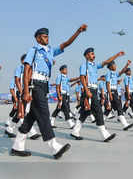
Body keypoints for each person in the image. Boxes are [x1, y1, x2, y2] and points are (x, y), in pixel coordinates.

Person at [11, 25, 87, 159]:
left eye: (47, 36)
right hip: (35, 85)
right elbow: (27, 69)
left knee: (31, 118)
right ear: (38, 38)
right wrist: (25, 90)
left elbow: (66, 44)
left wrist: (78, 32)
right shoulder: (34, 50)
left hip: (44, 85)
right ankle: (54, 146)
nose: (47, 38)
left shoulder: (50, 51)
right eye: (44, 36)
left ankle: (17, 146)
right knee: (44, 114)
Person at [71, 48, 124, 141]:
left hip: (94, 90)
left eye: (93, 54)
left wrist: (117, 55)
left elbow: (106, 61)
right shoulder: (84, 65)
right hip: (89, 90)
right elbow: (82, 78)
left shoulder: (95, 65)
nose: (93, 55)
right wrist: (86, 90)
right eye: (91, 54)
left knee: (85, 112)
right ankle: (105, 134)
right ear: (87, 56)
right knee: (99, 111)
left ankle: (75, 131)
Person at [106, 60, 133, 130]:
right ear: (110, 66)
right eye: (114, 65)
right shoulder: (108, 74)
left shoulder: (115, 73)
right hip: (111, 91)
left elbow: (122, 72)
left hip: (115, 91)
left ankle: (101, 122)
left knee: (113, 108)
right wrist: (110, 94)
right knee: (119, 107)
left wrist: (127, 65)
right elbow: (107, 84)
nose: (116, 66)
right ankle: (125, 124)